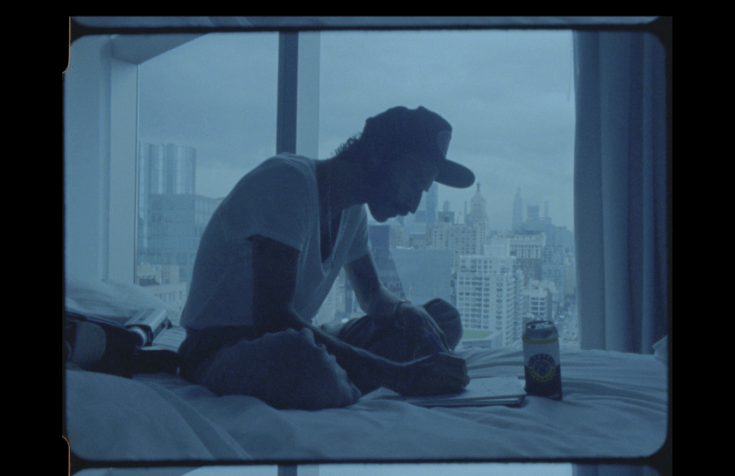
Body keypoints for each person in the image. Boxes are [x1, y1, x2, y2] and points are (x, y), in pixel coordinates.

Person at [177, 106, 475, 410]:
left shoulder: (353, 211)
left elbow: (372, 296)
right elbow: (274, 318)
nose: (413, 205)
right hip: (220, 350)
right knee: (311, 367)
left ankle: (345, 376)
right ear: (378, 155)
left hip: (294, 338)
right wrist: (400, 376)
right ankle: (346, 377)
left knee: (440, 320)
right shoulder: (287, 182)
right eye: (414, 182)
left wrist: (404, 310)